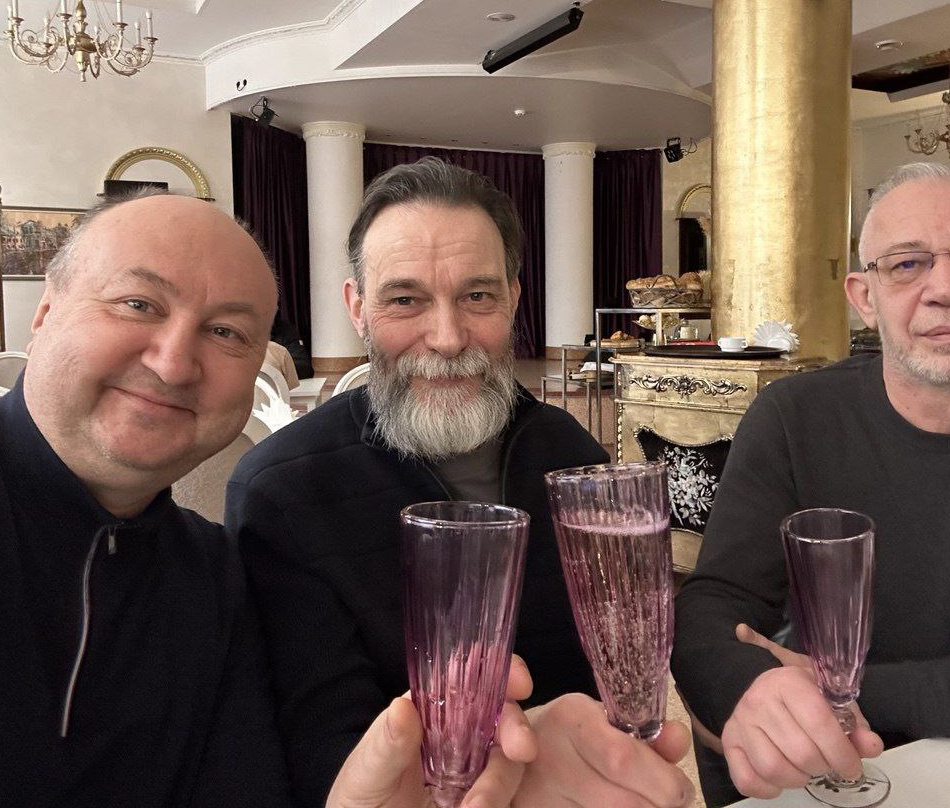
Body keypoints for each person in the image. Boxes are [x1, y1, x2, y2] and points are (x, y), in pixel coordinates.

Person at [0, 192, 534, 808]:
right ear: (46, 312)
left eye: (227, 332)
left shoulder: (208, 579)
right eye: (139, 304)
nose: (174, 363)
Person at [228, 158, 695, 808]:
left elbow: (606, 684)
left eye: (477, 297)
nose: (447, 339)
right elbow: (314, 755)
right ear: (357, 308)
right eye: (405, 300)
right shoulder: (283, 494)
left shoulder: (571, 456)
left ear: (514, 298)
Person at [673, 162, 950, 804]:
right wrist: (749, 692)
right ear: (865, 297)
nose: (946, 288)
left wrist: (841, 694)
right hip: (845, 778)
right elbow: (714, 609)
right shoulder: (794, 418)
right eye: (907, 264)